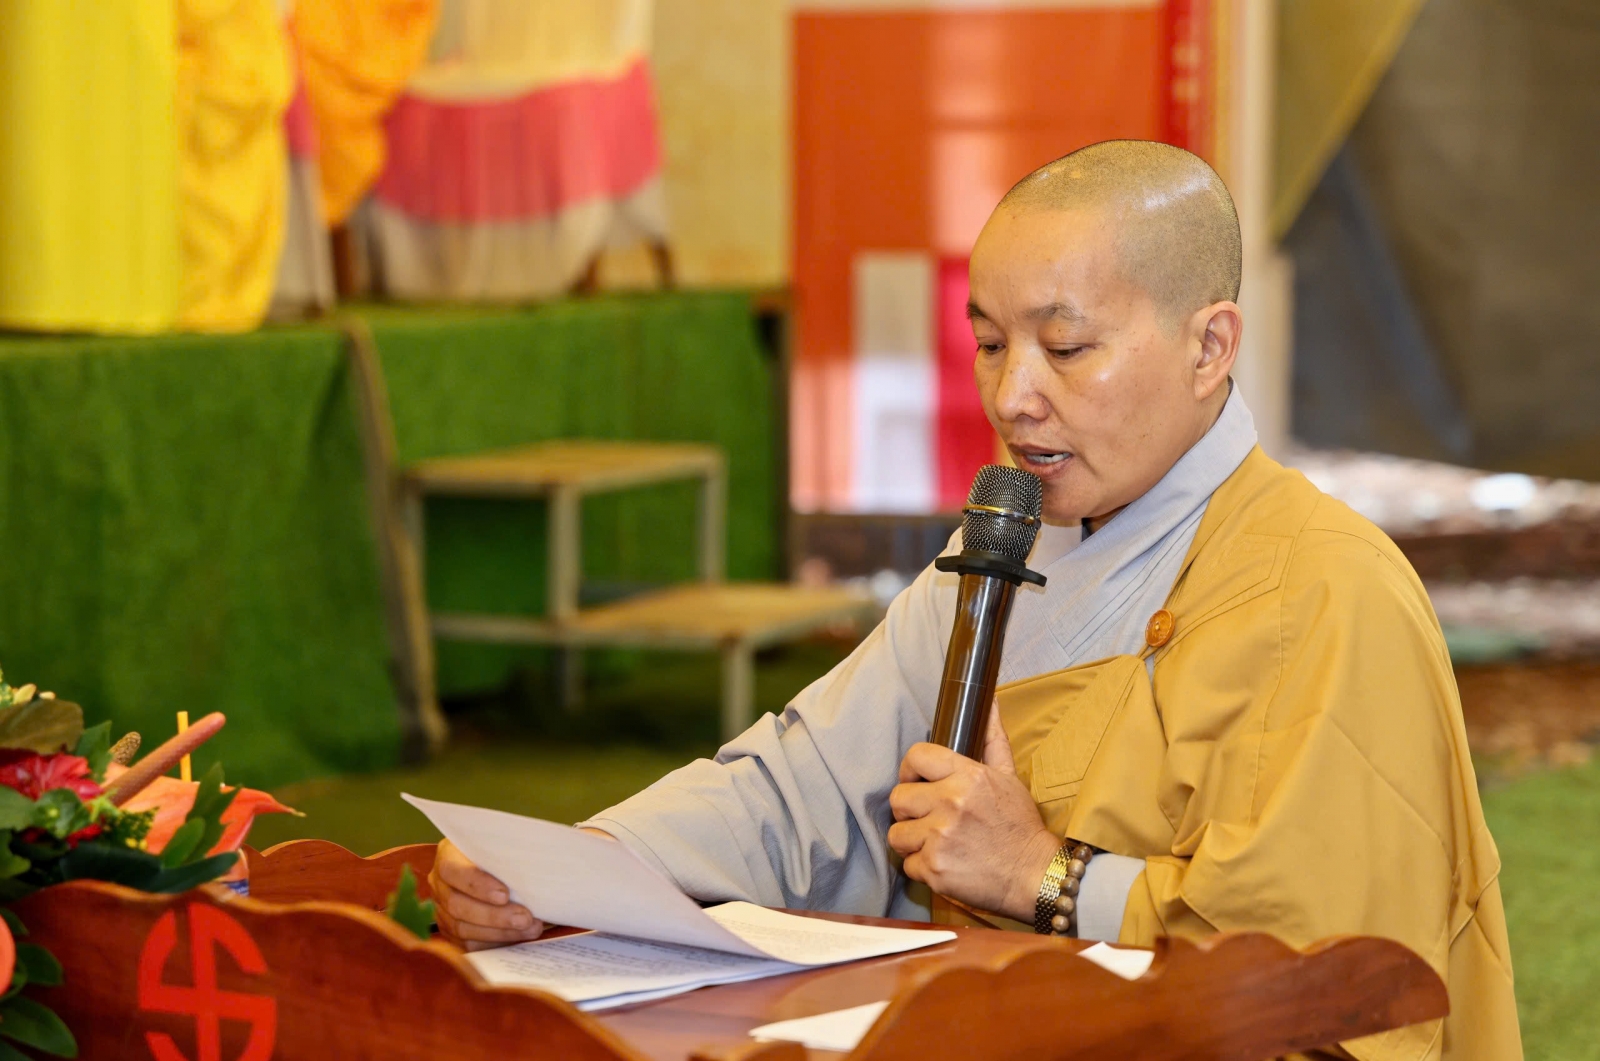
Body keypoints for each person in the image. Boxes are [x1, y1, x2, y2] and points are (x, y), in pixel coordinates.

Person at [428, 140, 1519, 1060]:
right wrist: (574, 864)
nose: (1012, 395)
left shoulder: (1326, 587)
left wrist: (1041, 875)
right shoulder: (1001, 552)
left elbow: (1329, 975)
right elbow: (807, 784)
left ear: (1209, 345)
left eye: (1066, 346)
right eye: (991, 343)